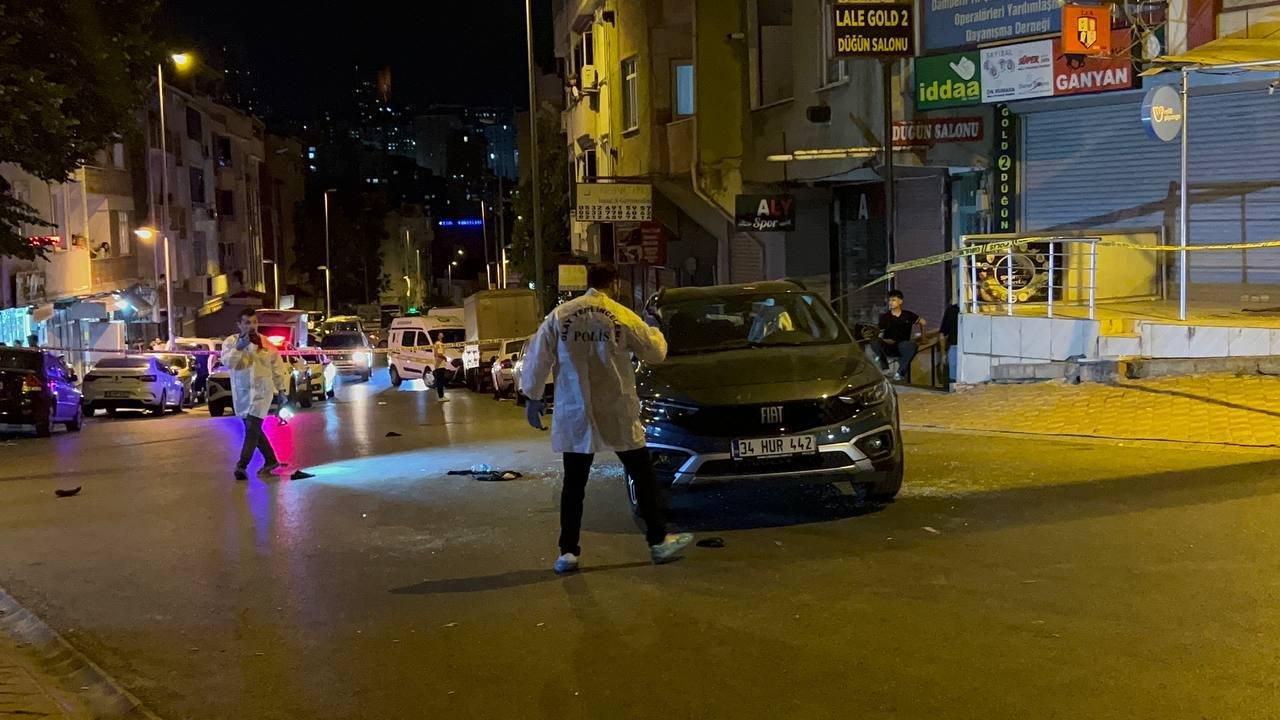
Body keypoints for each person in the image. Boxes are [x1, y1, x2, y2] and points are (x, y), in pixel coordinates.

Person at [521, 263, 693, 575]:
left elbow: (537, 356)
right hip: (616, 409)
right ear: (614, 283)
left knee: (574, 485)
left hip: (576, 410)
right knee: (642, 475)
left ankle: (568, 552)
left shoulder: (560, 316)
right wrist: (655, 327)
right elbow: (655, 352)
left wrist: (533, 397)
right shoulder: (621, 315)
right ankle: (658, 541)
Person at [221, 309, 290, 481]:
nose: (251, 326)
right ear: (239, 325)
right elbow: (228, 362)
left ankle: (241, 465)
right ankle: (271, 460)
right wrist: (239, 347)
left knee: (252, 428)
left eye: (254, 322)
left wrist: (282, 390)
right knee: (254, 430)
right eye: (247, 322)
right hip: (242, 394)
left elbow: (277, 368)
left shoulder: (266, 343)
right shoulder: (231, 342)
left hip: (262, 393)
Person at [871, 289, 925, 382]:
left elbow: (923, 322)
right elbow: (879, 332)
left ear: (900, 301)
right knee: (874, 342)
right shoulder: (885, 317)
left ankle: (900, 373)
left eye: (893, 300)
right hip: (888, 345)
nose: (890, 302)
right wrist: (883, 340)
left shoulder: (908, 315)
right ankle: (885, 367)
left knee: (912, 345)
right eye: (889, 300)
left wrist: (923, 337)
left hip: (902, 345)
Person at [430, 333, 450, 402]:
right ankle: (441, 397)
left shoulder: (436, 344)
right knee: (440, 381)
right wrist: (445, 358)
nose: (443, 336)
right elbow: (439, 354)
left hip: (438, 365)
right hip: (440, 365)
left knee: (440, 381)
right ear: (438, 337)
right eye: (441, 335)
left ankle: (441, 396)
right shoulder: (439, 344)